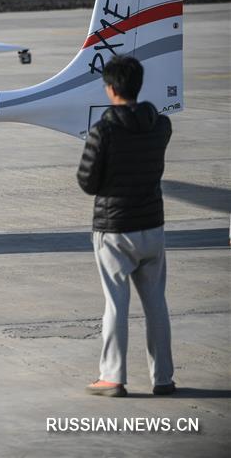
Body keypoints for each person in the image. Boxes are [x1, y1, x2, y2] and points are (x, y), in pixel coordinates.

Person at [77, 55, 175, 398]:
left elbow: (87, 182)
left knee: (116, 306)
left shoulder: (103, 130)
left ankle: (113, 377)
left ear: (110, 88)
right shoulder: (161, 125)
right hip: (152, 225)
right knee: (156, 305)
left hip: (115, 229)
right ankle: (163, 378)